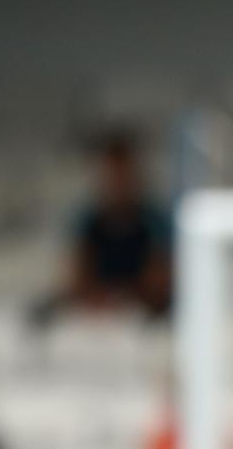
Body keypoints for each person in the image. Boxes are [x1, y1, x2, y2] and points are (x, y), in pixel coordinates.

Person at [64, 128, 172, 317]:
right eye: (112, 176)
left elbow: (160, 285)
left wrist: (126, 298)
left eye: (123, 176)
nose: (118, 185)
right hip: (96, 322)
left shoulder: (155, 223)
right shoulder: (88, 223)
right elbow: (77, 282)